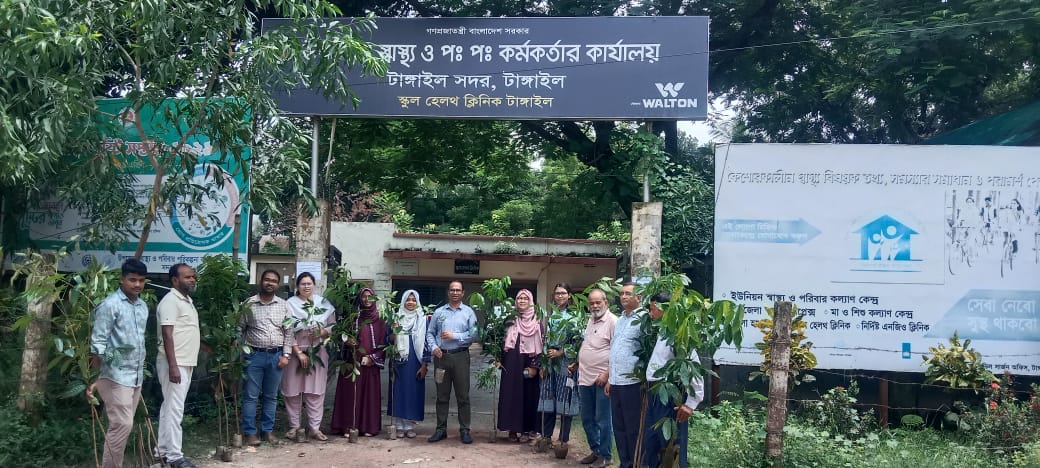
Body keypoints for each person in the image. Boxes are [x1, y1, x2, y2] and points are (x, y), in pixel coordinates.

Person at [86, 259, 149, 468]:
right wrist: (99, 375)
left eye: (141, 280)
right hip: (115, 375)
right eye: (132, 280)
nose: (137, 285)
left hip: (136, 375)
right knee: (122, 425)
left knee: (122, 426)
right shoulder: (110, 305)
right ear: (122, 280)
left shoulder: (143, 306)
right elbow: (98, 343)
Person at [641, 291, 703, 468]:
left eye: (653, 309)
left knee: (671, 444)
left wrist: (691, 403)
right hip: (655, 394)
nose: (651, 314)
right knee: (651, 442)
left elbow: (692, 366)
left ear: (664, 309)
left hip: (668, 395)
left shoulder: (678, 335)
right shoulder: (663, 331)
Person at [239, 270, 295, 446]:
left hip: (276, 356)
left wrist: (286, 355)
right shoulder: (249, 304)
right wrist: (241, 351)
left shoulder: (284, 305)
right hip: (253, 356)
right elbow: (240, 328)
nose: (270, 283)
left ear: (277, 285)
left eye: (274, 281)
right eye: (267, 280)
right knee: (251, 396)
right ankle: (250, 433)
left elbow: (289, 332)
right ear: (260, 281)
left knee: (271, 396)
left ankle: (267, 431)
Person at [281, 272, 336, 442]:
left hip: (318, 350)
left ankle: (314, 428)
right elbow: (287, 330)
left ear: (314, 284)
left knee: (316, 391)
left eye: (309, 283)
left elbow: (333, 326)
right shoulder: (289, 305)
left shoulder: (323, 303)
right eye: (302, 283)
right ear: (297, 286)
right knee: (292, 391)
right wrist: (297, 352)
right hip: (295, 350)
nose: (306, 286)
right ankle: (295, 427)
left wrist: (322, 331)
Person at [156, 263, 200, 468]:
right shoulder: (170, 301)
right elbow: (167, 333)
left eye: (193, 277)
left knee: (169, 406)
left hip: (185, 362)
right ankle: (175, 457)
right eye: (187, 277)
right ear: (175, 280)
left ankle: (162, 452)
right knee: (175, 409)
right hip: (175, 363)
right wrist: (173, 366)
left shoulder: (187, 301)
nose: (192, 280)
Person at [331, 287, 388, 437]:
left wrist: (372, 358)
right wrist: (346, 341)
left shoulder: (381, 319)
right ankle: (349, 426)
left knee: (369, 396)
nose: (366, 300)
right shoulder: (352, 317)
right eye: (363, 297)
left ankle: (368, 427)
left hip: (370, 363)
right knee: (350, 394)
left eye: (370, 297)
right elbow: (339, 336)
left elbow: (384, 342)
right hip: (352, 363)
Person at [426, 280, 478, 444]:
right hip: (441, 358)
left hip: (461, 357)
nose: (455, 292)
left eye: (458, 290)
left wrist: (454, 336)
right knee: (442, 395)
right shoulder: (439, 312)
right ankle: (441, 429)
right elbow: (430, 332)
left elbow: (474, 334)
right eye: (452, 290)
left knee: (463, 396)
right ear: (448, 292)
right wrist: (433, 347)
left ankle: (465, 430)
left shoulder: (468, 312)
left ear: (463, 293)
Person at [536, 283, 581, 452]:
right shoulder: (551, 315)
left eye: (563, 293)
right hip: (550, 361)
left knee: (565, 399)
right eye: (557, 293)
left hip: (565, 362)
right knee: (548, 397)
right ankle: (546, 436)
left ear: (569, 295)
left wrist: (561, 352)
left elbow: (578, 341)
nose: (560, 296)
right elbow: (546, 339)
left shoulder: (575, 316)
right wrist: (544, 363)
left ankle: (563, 438)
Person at [605, 282, 645, 468]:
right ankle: (625, 462)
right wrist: (610, 378)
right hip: (616, 381)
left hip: (633, 382)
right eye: (621, 293)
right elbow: (615, 349)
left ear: (639, 297)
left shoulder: (645, 319)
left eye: (628, 293)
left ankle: (636, 462)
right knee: (619, 427)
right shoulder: (620, 320)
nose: (623, 296)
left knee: (633, 428)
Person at [576, 288, 616, 468]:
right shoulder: (590, 320)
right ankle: (596, 450)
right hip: (584, 378)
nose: (594, 305)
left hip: (601, 380)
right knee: (587, 418)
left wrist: (608, 375)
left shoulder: (613, 321)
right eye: (591, 302)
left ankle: (606, 455)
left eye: (598, 302)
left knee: (603, 420)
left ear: (606, 302)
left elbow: (617, 352)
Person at [498, 289, 543, 443]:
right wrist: (498, 358)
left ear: (531, 301)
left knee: (529, 396)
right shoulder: (510, 319)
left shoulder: (537, 321)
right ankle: (512, 429)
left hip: (528, 362)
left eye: (525, 298)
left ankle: (527, 429)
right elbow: (499, 340)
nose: (522, 301)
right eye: (519, 298)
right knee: (511, 394)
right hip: (511, 362)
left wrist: (535, 366)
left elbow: (541, 345)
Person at [388, 289, 430, 438]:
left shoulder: (423, 319)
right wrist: (394, 330)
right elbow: (389, 340)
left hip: (416, 359)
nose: (410, 302)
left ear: (417, 302)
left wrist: (425, 363)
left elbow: (426, 342)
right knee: (399, 391)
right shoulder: (395, 317)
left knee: (414, 392)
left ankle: (410, 425)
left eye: (413, 300)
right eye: (408, 299)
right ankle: (399, 425)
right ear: (403, 301)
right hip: (399, 359)